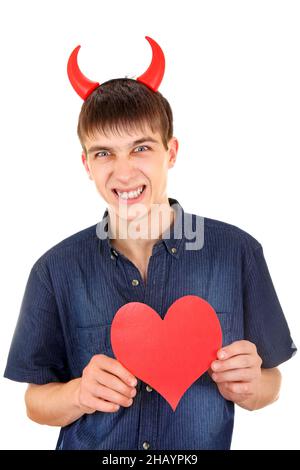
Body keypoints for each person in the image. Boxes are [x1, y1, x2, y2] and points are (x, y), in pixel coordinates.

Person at [4, 37, 297, 450]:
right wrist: (77, 394)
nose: (123, 173)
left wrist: (253, 386)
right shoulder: (55, 269)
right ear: (86, 164)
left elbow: (272, 382)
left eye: (140, 148)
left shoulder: (238, 253)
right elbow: (35, 402)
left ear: (170, 152)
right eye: (104, 153)